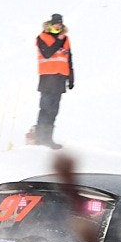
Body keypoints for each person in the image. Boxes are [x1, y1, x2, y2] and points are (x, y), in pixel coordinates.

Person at [28, 14, 73, 148]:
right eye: (56, 24)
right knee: (45, 109)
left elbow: (68, 59)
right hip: (47, 79)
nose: (58, 26)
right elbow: (47, 53)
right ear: (51, 24)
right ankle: (40, 138)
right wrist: (59, 41)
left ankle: (48, 139)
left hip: (59, 80)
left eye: (60, 24)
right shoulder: (42, 37)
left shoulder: (66, 39)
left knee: (54, 110)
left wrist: (71, 78)